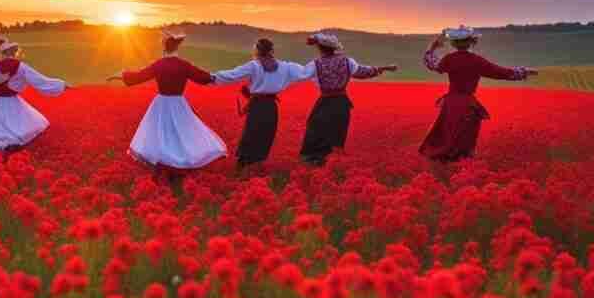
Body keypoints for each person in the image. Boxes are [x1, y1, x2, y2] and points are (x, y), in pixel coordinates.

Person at [108, 30, 227, 176]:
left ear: (164, 47)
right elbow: (203, 77)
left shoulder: (159, 64)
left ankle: (166, 162)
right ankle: (181, 161)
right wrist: (217, 77)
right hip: (179, 103)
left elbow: (138, 77)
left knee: (162, 133)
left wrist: (119, 75)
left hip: (162, 103)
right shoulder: (184, 65)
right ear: (177, 47)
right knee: (181, 132)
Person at [420, 25, 537, 162]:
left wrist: (432, 48)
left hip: (451, 104)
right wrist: (523, 72)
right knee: (464, 140)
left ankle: (442, 168)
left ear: (453, 43)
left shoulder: (449, 59)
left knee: (446, 137)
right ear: (472, 41)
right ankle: (460, 169)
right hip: (468, 106)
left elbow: (432, 64)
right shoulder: (476, 60)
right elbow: (500, 72)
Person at [211, 38, 315, 171]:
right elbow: (305, 72)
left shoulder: (254, 65)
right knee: (265, 135)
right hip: (271, 106)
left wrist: (212, 77)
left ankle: (243, 165)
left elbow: (232, 75)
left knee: (251, 133)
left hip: (257, 105)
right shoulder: (285, 66)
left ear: (257, 50)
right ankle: (255, 165)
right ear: (272, 51)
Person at [299, 32, 398, 165]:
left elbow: (300, 74)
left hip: (325, 101)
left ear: (320, 48)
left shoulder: (315, 64)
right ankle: (333, 162)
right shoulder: (347, 62)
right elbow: (363, 72)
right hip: (341, 102)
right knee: (337, 131)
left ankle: (315, 160)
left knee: (315, 127)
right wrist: (384, 68)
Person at [0, 36, 68, 152]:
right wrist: (62, 85)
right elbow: (40, 80)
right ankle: (13, 144)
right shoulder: (20, 67)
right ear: (11, 52)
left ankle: (3, 146)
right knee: (20, 125)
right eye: (14, 51)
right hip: (12, 102)